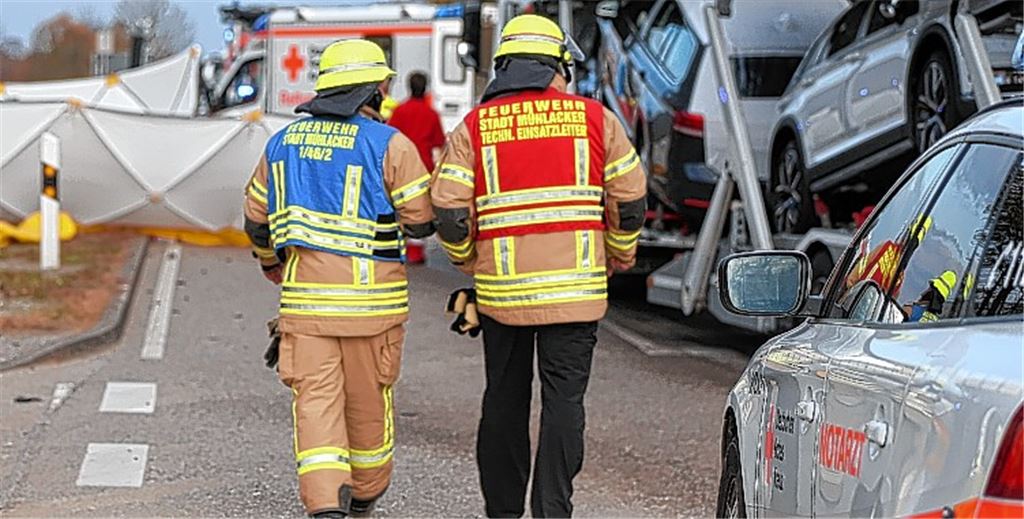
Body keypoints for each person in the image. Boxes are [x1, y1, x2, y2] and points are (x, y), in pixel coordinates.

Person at [430, 14, 647, 518]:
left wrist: (470, 264)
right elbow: (631, 197)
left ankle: (504, 512)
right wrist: (620, 251)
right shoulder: (595, 119)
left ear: (504, 69)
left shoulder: (477, 126)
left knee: (504, 402)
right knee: (564, 406)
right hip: (577, 295)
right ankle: (553, 510)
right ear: (558, 68)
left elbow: (449, 211)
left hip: (502, 297)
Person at [242, 39, 434, 518]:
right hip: (374, 310)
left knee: (316, 407)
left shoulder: (282, 143)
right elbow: (420, 219)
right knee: (368, 405)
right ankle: (365, 493)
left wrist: (270, 263)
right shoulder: (390, 144)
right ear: (372, 89)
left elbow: (255, 218)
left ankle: (325, 504)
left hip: (305, 309)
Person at [388, 71, 446, 172]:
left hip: (403, 163)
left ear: (409, 87)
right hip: (424, 165)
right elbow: (439, 142)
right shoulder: (432, 114)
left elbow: (390, 137)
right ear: (425, 88)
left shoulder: (399, 111)